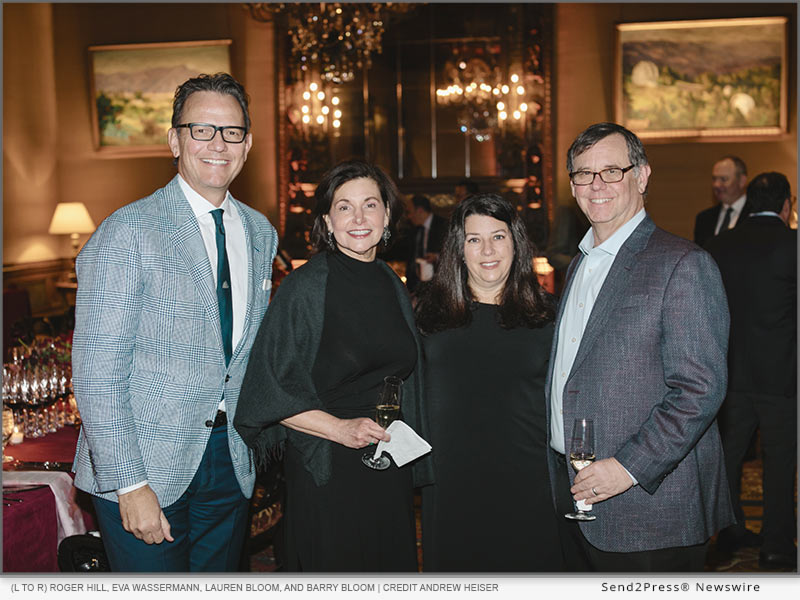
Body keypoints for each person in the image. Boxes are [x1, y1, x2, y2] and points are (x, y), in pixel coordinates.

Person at [71, 73, 278, 571]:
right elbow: (97, 371)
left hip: (230, 462)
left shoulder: (259, 231)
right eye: (200, 129)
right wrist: (129, 483)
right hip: (146, 468)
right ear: (174, 140)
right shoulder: (126, 231)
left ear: (247, 144)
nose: (217, 144)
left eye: (231, 132)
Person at [548, 122, 734, 572]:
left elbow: (699, 390)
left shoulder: (684, 265)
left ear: (642, 176)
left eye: (611, 170)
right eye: (583, 174)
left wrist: (627, 467)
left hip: (649, 508)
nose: (596, 185)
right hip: (572, 501)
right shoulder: (578, 265)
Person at [233, 159, 433, 572]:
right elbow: (266, 388)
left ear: (387, 214)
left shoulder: (389, 282)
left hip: (386, 459)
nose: (358, 218)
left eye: (370, 205)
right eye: (344, 207)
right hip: (329, 464)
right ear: (327, 220)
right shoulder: (305, 287)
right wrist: (340, 429)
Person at [415, 193, 562, 571]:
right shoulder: (428, 314)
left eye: (498, 236)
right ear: (458, 249)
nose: (487, 250)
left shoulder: (548, 316)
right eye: (474, 239)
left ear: (516, 242)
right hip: (450, 481)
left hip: (528, 481)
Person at [706, 172, 797, 569]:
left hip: (729, 375)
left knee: (728, 458)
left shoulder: (718, 245)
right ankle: (776, 546)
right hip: (783, 376)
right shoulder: (794, 245)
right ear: (786, 205)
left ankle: (727, 536)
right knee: (780, 463)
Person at [694, 156, 751, 247]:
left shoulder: (754, 214)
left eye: (723, 179)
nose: (716, 185)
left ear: (742, 181)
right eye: (714, 179)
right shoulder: (704, 218)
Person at [405, 194, 448, 293]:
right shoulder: (415, 230)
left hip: (439, 285)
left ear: (419, 210)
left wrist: (436, 257)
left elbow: (453, 253)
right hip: (418, 286)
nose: (408, 217)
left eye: (409, 212)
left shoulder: (444, 226)